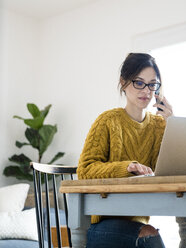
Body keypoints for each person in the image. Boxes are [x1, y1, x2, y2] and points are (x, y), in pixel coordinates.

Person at [77, 53, 173, 248]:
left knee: (149, 234)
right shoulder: (108, 121)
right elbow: (84, 170)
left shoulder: (158, 125)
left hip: (138, 223)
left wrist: (172, 124)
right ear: (124, 82)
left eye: (152, 84)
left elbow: (166, 170)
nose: (146, 90)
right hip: (102, 225)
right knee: (150, 236)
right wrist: (126, 167)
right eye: (139, 82)